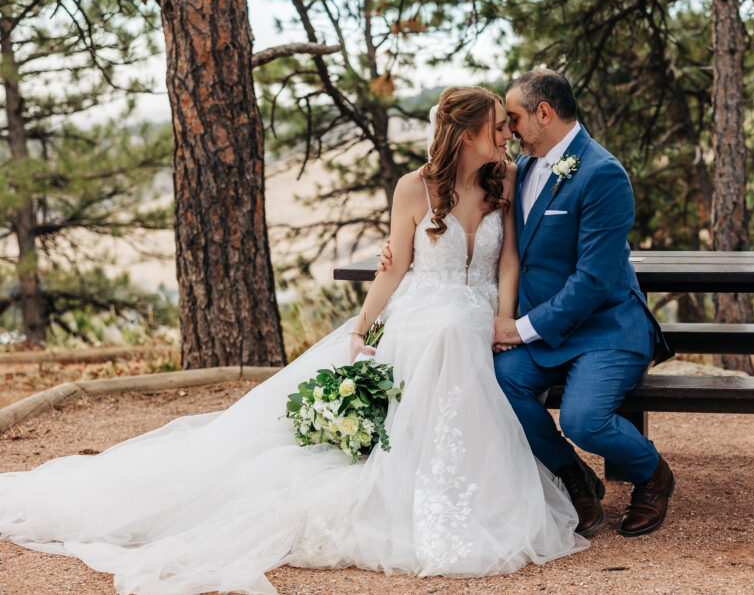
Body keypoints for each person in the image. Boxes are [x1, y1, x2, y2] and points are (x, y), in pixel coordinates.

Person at [0, 86, 586, 595]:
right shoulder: (414, 188)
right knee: (444, 334)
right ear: (465, 135)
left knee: (460, 331)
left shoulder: (504, 181)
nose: (508, 135)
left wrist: (503, 321)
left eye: (510, 126)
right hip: (424, 314)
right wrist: (364, 329)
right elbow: (394, 267)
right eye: (497, 128)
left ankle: (472, 493)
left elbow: (507, 260)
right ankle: (421, 496)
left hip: (480, 313)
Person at [381, 69, 675, 539]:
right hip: (547, 332)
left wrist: (520, 329)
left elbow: (595, 281)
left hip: (605, 327)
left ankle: (653, 475)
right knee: (499, 383)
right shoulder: (517, 168)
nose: (509, 130)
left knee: (583, 418)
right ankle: (574, 477)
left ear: (544, 112)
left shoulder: (602, 174)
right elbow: (471, 222)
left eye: (514, 119)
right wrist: (406, 251)